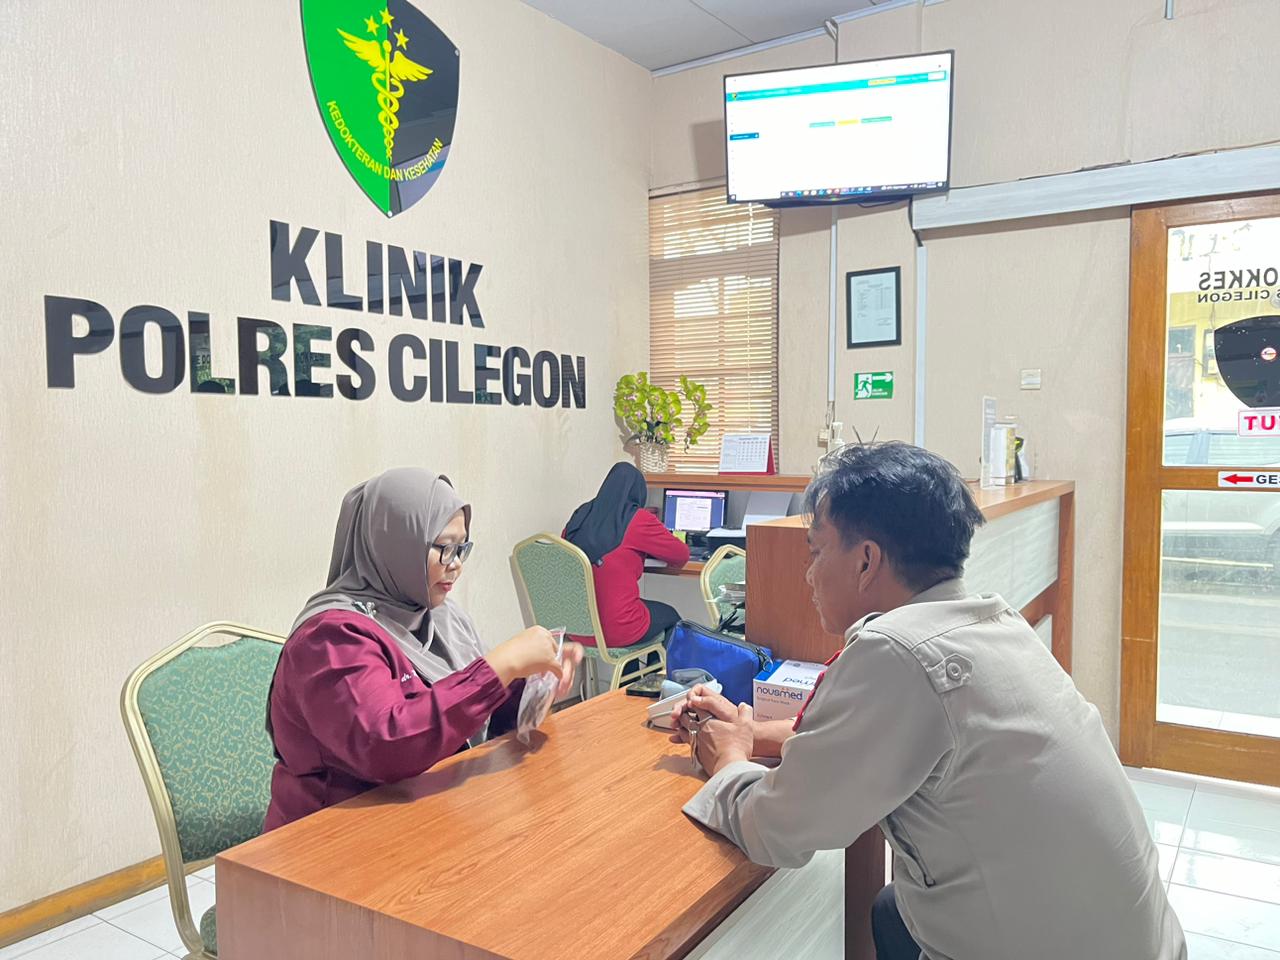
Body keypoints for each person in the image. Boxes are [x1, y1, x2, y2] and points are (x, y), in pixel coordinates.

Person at [672, 442, 1186, 960]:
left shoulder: (897, 653)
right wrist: (751, 731)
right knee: (891, 910)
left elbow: (778, 829)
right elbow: (884, 740)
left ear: (866, 561)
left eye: (817, 551)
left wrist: (728, 760)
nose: (808, 573)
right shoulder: (990, 622)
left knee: (891, 911)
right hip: (1136, 941)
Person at [263, 467, 583, 831]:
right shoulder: (331, 639)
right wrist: (500, 666)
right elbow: (387, 745)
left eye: (461, 548)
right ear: (394, 546)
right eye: (444, 548)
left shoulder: (439, 616)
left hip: (424, 818)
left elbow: (479, 719)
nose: (456, 565)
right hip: (330, 838)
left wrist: (533, 682)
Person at [563, 462, 689, 647]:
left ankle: (635, 668)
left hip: (577, 629)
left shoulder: (581, 514)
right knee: (670, 615)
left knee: (641, 608)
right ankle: (659, 666)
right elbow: (681, 555)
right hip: (617, 629)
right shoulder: (637, 518)